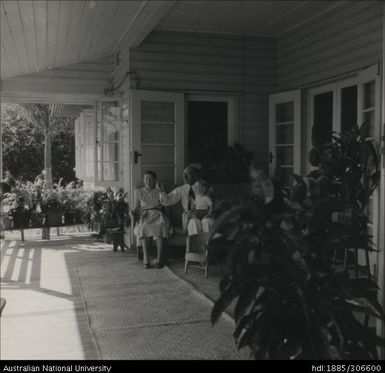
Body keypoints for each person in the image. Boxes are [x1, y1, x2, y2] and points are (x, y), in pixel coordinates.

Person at [157, 166, 214, 235]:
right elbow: (167, 201)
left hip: (205, 214)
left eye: (188, 174)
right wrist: (162, 191)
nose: (184, 176)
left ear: (195, 175)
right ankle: (195, 244)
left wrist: (210, 214)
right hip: (192, 216)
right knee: (193, 222)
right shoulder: (181, 189)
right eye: (183, 174)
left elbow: (212, 203)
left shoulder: (205, 187)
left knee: (207, 221)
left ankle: (209, 244)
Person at [132, 171, 170, 269]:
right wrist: (132, 212)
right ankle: (146, 257)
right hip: (146, 215)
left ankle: (159, 258)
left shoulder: (159, 190)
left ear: (155, 180)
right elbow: (136, 207)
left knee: (160, 226)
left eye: (150, 179)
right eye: (145, 179)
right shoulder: (139, 192)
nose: (148, 181)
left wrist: (161, 190)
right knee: (144, 226)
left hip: (158, 214)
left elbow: (166, 203)